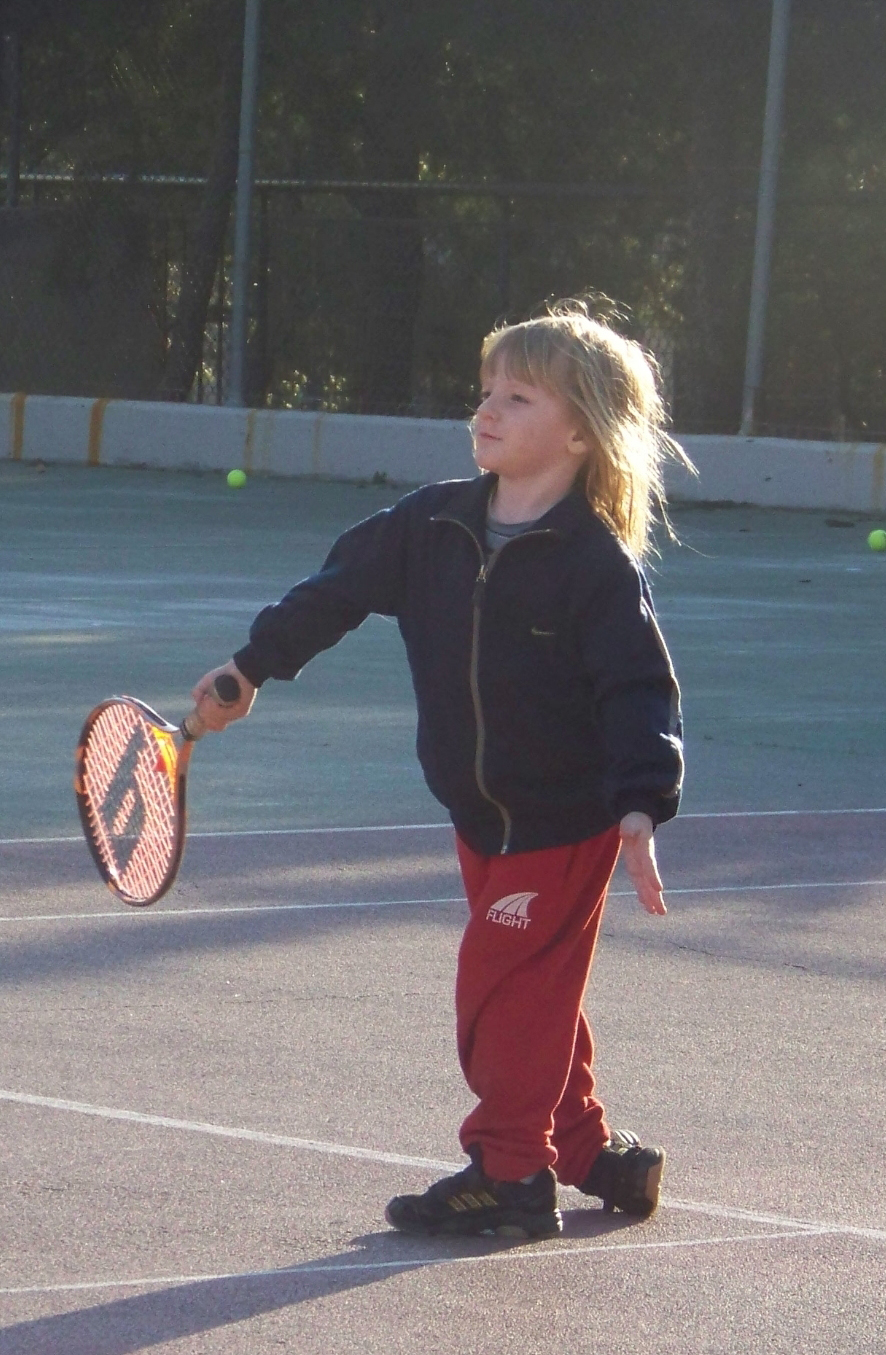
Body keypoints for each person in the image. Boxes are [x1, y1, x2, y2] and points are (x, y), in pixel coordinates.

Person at [191, 301, 686, 1240]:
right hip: (478, 814)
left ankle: (510, 1174)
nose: (488, 409)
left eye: (519, 395)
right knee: (536, 991)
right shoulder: (431, 524)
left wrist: (640, 802)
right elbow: (332, 593)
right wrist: (250, 667)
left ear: (579, 432)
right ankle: (583, 1152)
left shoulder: (595, 565)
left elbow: (638, 685)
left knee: (497, 989)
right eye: (487, 390)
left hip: (565, 819)